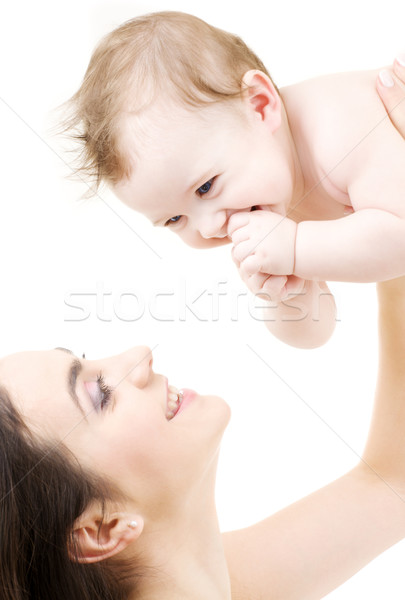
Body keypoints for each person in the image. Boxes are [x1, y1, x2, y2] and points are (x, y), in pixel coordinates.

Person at [0, 63, 404, 598]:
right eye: (98, 395)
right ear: (102, 529)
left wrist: (382, 197)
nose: (138, 354)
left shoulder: (235, 580)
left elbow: (393, 485)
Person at [63, 11, 405, 348]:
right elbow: (317, 332)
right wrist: (285, 295)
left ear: (259, 105)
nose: (209, 228)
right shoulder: (270, 189)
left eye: (205, 187)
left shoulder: (337, 128)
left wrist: (298, 248)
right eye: (174, 219)